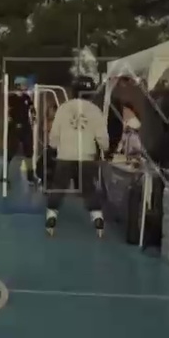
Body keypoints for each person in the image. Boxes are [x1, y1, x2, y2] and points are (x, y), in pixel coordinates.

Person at [44, 75, 109, 237]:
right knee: (89, 189)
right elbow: (102, 136)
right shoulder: (95, 110)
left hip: (65, 156)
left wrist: (53, 146)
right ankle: (98, 219)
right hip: (86, 157)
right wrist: (105, 148)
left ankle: (51, 217)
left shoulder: (63, 108)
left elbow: (54, 134)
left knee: (58, 187)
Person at [7, 76, 36, 183]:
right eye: (24, 84)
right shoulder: (12, 98)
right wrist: (10, 121)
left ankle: (30, 175)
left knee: (29, 151)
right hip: (15, 126)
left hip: (26, 126)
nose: (26, 86)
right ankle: (5, 174)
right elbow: (8, 111)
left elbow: (32, 108)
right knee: (11, 151)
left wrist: (34, 115)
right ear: (18, 85)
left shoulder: (26, 97)